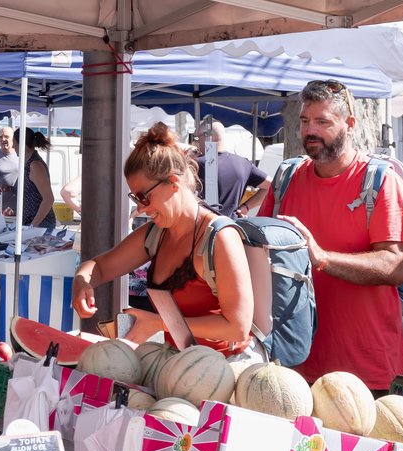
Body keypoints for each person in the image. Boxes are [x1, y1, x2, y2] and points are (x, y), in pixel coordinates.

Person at [256, 79, 403, 393]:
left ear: (350, 124)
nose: (309, 131)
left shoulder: (380, 181)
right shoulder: (287, 178)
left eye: (322, 122)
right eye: (304, 121)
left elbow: (397, 266)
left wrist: (323, 258)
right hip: (295, 366)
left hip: (368, 374)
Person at [73, 123, 264, 361]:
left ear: (173, 183)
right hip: (178, 364)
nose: (141, 208)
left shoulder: (220, 237)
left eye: (144, 197)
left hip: (225, 367)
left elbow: (237, 327)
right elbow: (99, 267)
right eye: (134, 198)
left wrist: (158, 323)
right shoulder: (156, 233)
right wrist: (81, 282)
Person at [195, 120, 270, 218]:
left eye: (198, 137)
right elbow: (270, 186)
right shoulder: (244, 163)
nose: (196, 142)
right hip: (232, 227)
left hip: (204, 227)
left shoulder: (197, 164)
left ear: (208, 137)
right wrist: (246, 207)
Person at [21, 128, 56, 230]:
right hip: (32, 222)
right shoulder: (28, 163)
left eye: (14, 143)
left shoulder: (35, 164)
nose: (13, 147)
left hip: (40, 224)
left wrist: (33, 226)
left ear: (22, 144)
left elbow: (49, 199)